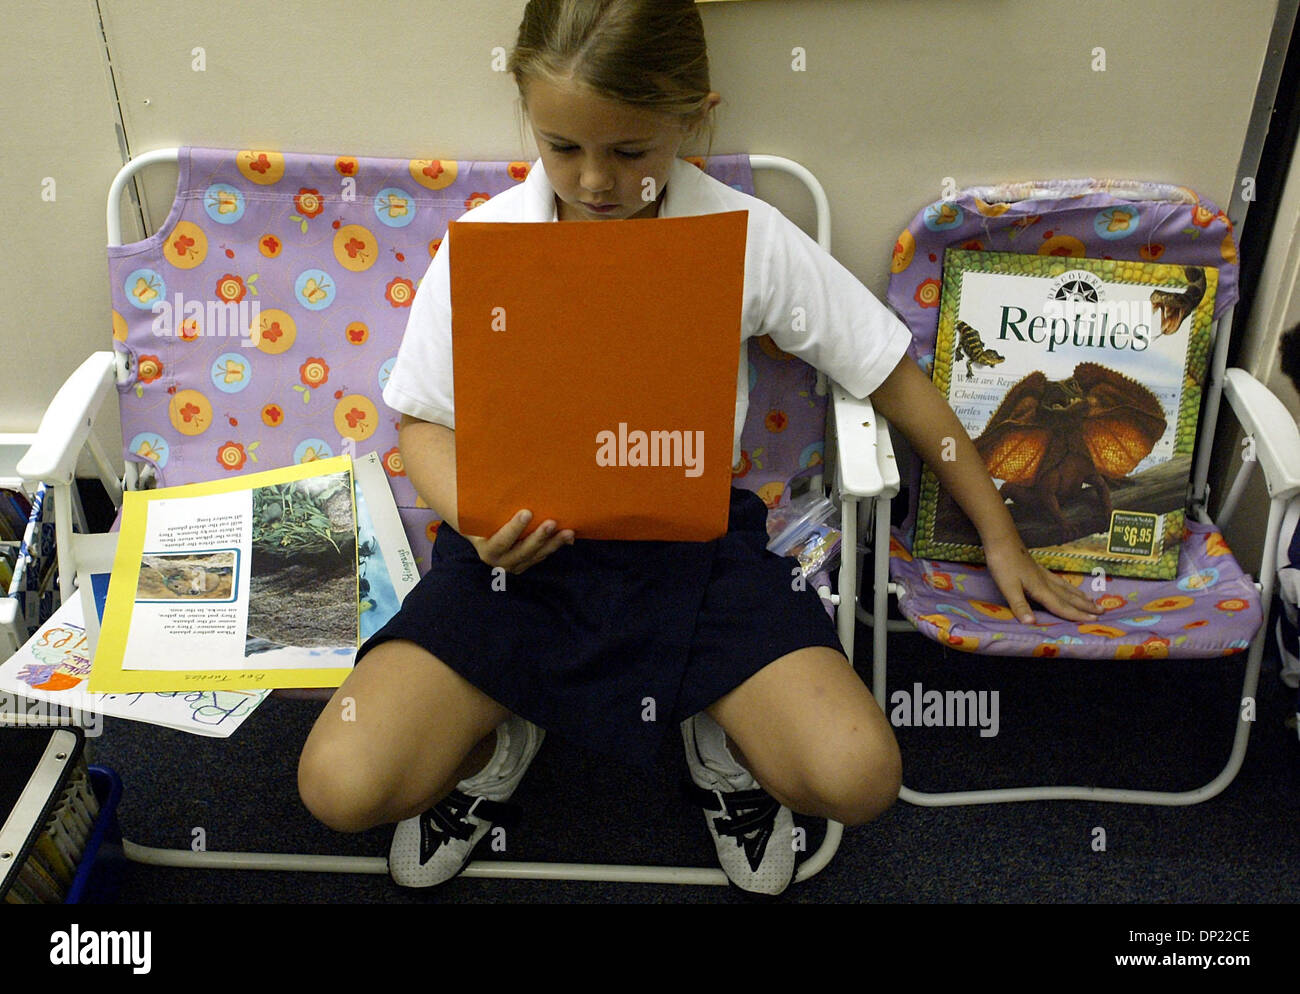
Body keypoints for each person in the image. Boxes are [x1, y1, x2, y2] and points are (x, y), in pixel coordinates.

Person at [297, 0, 1101, 897]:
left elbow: (892, 376)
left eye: (629, 152)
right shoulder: (484, 244)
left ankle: (719, 725)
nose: (594, 181)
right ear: (526, 112)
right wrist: (475, 515)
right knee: (340, 784)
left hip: (695, 551)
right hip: (514, 558)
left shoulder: (744, 237)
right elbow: (421, 423)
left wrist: (997, 533)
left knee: (856, 776)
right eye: (562, 147)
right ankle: (497, 728)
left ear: (693, 117)